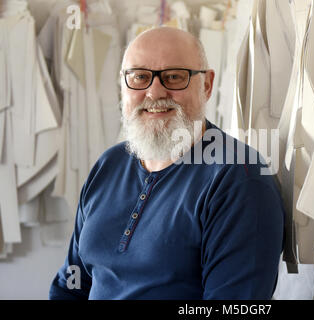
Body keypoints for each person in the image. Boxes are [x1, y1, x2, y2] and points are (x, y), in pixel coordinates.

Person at [49, 27, 285, 300]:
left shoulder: (240, 180)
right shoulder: (108, 165)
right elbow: (71, 286)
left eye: (174, 77)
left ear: (206, 85)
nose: (154, 92)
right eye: (139, 77)